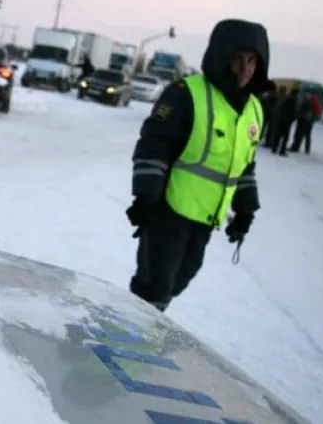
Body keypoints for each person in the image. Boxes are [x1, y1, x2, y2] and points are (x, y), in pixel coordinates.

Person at [126, 18, 269, 312]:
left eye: (252, 60)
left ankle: (142, 324)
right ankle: (129, 331)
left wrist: (245, 211)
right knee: (154, 286)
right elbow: (154, 146)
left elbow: (243, 165)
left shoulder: (254, 109)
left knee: (179, 281)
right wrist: (146, 198)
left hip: (205, 219)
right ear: (221, 56)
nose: (245, 69)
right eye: (238, 58)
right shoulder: (185, 93)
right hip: (168, 212)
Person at [272, 88, 298, 156]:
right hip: (287, 122)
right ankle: (282, 151)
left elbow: (280, 108)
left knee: (278, 135)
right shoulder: (293, 102)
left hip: (281, 120)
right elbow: (294, 113)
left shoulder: (286, 99)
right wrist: (292, 119)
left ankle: (274, 148)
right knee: (285, 137)